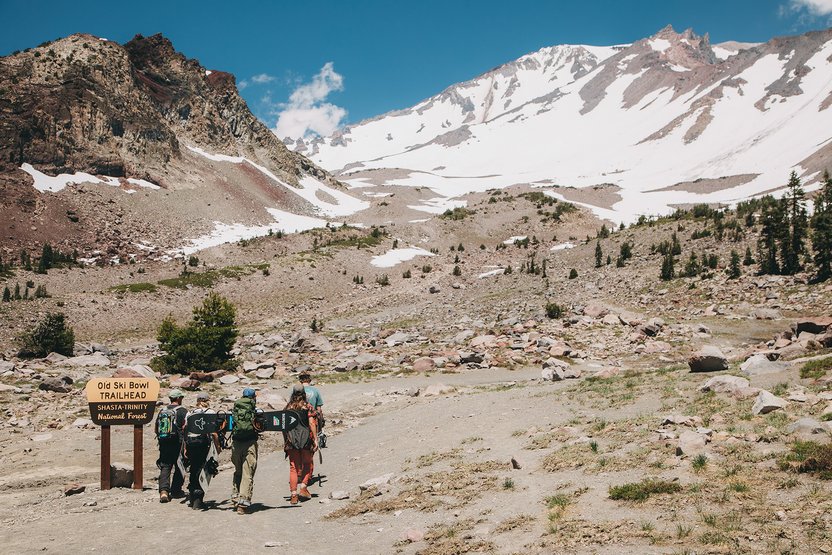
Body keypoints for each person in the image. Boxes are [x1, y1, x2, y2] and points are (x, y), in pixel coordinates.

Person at [184, 391, 220, 510]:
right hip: (203, 445)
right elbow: (214, 433)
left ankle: (193, 496)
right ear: (208, 400)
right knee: (202, 470)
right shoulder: (210, 413)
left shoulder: (190, 413)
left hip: (190, 444)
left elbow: (185, 430)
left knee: (193, 469)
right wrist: (217, 447)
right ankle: (198, 500)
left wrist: (184, 447)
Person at [283, 384, 318, 505]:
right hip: (306, 439)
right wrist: (315, 439)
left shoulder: (288, 407)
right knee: (307, 464)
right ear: (304, 393)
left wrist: (286, 440)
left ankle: (293, 495)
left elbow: (283, 427)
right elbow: (312, 424)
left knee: (293, 467)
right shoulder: (307, 407)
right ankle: (303, 487)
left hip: (292, 441)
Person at [155, 389, 187, 503]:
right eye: (181, 398)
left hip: (164, 442)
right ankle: (176, 490)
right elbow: (186, 427)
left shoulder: (162, 411)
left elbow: (156, 428)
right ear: (178, 398)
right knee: (179, 465)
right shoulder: (182, 411)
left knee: (165, 466)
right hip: (177, 443)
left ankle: (164, 491)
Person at [230, 388, 259, 515]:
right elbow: (260, 427)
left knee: (238, 471)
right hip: (250, 443)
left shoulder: (235, 410)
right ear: (253, 397)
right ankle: (243, 503)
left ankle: (235, 496)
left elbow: (230, 426)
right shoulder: (255, 411)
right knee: (248, 472)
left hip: (236, 443)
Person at [296, 372, 325, 478]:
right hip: (312, 420)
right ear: (310, 380)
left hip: (298, 422)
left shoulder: (296, 391)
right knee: (311, 446)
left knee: (298, 446)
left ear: (300, 381)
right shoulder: (315, 390)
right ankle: (307, 473)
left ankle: (299, 471)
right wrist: (321, 424)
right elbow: (319, 409)